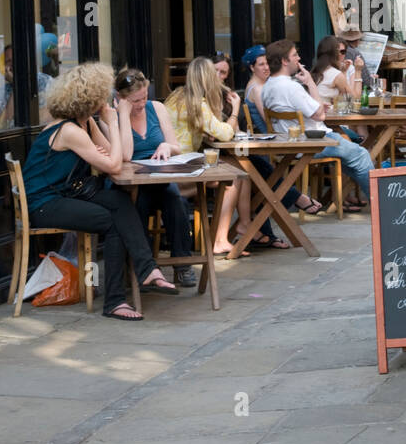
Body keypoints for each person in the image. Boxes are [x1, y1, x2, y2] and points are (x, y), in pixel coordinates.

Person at [21, 63, 179, 321]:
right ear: (91, 99)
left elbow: (119, 160)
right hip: (45, 203)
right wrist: (113, 121)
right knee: (113, 223)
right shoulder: (70, 130)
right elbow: (115, 164)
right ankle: (116, 301)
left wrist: (108, 135)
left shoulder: (85, 125)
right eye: (103, 96)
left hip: (71, 193)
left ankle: (148, 271)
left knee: (119, 199)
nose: (107, 100)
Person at [261, 39, 374, 212]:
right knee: (362, 155)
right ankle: (381, 205)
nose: (299, 58)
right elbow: (321, 115)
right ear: (284, 61)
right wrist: (310, 83)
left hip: (287, 142)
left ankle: (348, 197)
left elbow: (307, 109)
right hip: (313, 142)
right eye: (294, 55)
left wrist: (317, 105)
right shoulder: (292, 87)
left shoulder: (267, 86)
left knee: (352, 159)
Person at [165, 57, 262, 255]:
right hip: (181, 173)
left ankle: (243, 224)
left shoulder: (176, 96)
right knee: (233, 178)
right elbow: (227, 134)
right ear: (209, 79)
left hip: (171, 166)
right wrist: (235, 108)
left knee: (241, 169)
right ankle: (219, 240)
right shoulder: (197, 104)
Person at [114, 68, 197, 287]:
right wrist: (123, 114)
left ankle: (183, 263)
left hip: (158, 176)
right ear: (121, 99)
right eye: (135, 100)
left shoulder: (156, 108)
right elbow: (125, 155)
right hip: (132, 183)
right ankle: (147, 268)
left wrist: (166, 146)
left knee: (176, 201)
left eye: (144, 97)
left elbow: (177, 148)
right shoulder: (113, 117)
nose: (141, 104)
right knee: (137, 206)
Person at [239, 46, 325, 217]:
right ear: (251, 67)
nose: (266, 68)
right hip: (272, 141)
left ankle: (289, 198)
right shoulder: (257, 88)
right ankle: (293, 198)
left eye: (267, 64)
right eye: (261, 64)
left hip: (274, 139)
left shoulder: (264, 86)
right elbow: (267, 120)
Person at [0, 45, 53, 129]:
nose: (13, 63)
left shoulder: (45, 81)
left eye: (17, 58)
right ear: (5, 67)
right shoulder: (1, 93)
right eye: (9, 61)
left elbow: (47, 116)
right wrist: (16, 86)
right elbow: (6, 123)